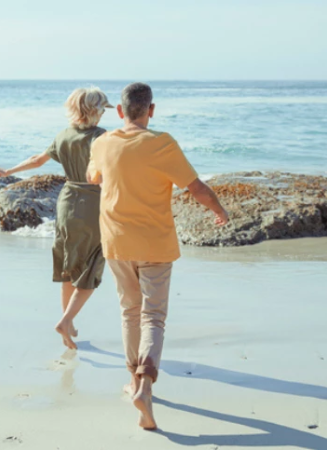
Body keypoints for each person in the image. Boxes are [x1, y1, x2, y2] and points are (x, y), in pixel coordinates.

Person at [87, 82, 229, 430]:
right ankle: (145, 386)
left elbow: (94, 178)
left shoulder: (102, 142)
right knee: (153, 317)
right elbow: (195, 187)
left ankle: (133, 382)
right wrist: (220, 210)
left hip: (117, 242)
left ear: (119, 111)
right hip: (155, 243)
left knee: (129, 311)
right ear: (151, 110)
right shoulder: (162, 143)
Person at [0, 87, 113, 350]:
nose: (104, 114)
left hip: (67, 202)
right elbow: (111, 173)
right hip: (92, 203)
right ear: (94, 110)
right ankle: (66, 320)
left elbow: (38, 161)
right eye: (103, 109)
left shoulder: (64, 135)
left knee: (68, 266)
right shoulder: (102, 137)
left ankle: (66, 326)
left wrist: (9, 171)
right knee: (92, 266)